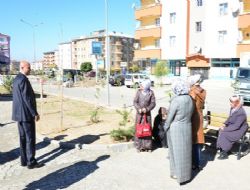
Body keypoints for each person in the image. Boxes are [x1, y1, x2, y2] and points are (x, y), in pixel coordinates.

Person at [12, 61, 44, 169]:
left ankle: (24, 160)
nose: (30, 69)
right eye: (28, 67)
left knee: (22, 138)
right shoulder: (23, 80)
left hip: (18, 115)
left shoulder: (16, 79)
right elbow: (27, 99)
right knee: (30, 138)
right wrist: (34, 113)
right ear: (22, 67)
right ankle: (31, 162)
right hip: (26, 115)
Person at [164, 79, 194, 184]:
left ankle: (176, 174)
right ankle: (186, 175)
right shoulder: (190, 98)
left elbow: (170, 117)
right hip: (187, 127)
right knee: (185, 153)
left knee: (175, 152)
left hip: (176, 128)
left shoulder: (176, 100)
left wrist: (165, 126)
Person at [216, 95, 249, 160]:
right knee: (220, 130)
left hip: (239, 130)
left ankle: (225, 152)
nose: (230, 103)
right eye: (230, 101)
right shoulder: (233, 108)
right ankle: (222, 149)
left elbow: (236, 126)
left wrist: (225, 129)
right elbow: (229, 118)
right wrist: (224, 124)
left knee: (225, 133)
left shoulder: (241, 112)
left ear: (237, 102)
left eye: (232, 102)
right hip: (233, 127)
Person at [188, 74, 206, 170]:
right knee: (197, 141)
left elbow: (189, 105)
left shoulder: (192, 91)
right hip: (199, 115)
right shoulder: (203, 91)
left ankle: (193, 163)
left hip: (192, 116)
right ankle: (198, 163)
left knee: (192, 141)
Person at [133, 79, 156, 152]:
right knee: (139, 129)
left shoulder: (151, 93)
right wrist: (138, 108)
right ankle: (139, 146)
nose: (140, 86)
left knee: (147, 129)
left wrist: (147, 109)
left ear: (146, 86)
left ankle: (148, 147)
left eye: (142, 85)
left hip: (147, 114)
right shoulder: (138, 92)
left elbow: (153, 103)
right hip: (139, 115)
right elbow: (135, 102)